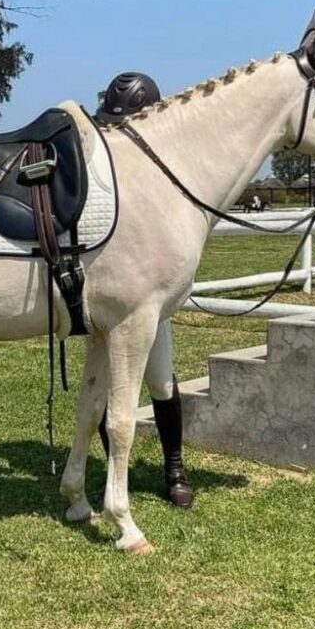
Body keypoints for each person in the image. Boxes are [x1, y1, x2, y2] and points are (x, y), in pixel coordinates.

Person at [93, 72, 194, 508]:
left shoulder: (167, 168)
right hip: (106, 288)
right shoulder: (103, 162)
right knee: (103, 384)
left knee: (159, 380)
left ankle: (174, 467)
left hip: (147, 290)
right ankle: (117, 469)